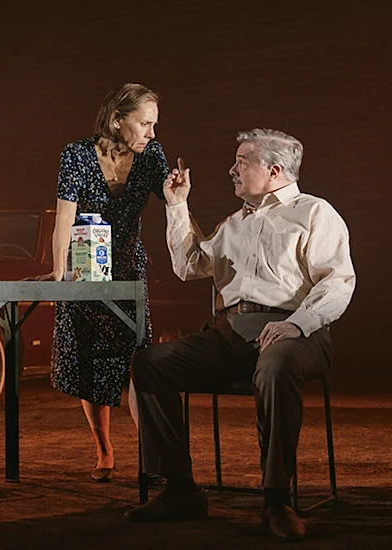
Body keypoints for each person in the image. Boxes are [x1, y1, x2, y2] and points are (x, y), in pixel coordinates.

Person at [124, 129, 355, 541]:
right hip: (230, 334)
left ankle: (276, 500)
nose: (232, 169)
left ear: (274, 170)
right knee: (151, 362)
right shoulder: (234, 223)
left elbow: (338, 280)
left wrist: (296, 324)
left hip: (297, 332)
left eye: (242, 162)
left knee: (277, 365)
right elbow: (189, 266)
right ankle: (180, 490)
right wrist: (177, 204)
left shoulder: (314, 213)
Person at [48, 83, 170, 483]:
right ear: (117, 120)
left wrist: (199, 240)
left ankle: (153, 454)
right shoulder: (77, 154)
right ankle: (103, 448)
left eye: (154, 124)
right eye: (145, 123)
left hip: (129, 268)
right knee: (90, 362)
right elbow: (64, 216)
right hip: (84, 267)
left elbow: (175, 202)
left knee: (139, 360)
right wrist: (59, 271)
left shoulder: (151, 155)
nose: (152, 133)